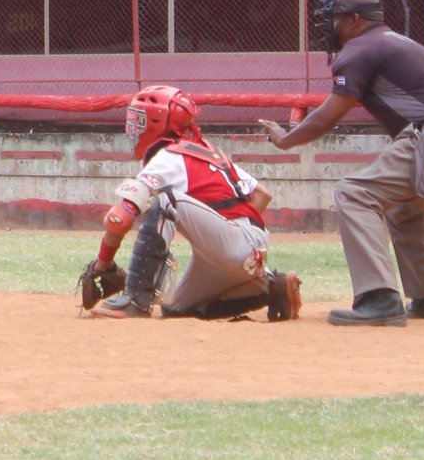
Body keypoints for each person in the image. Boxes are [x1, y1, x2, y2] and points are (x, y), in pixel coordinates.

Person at [258, 0, 424, 327]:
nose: (329, 27)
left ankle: (379, 299)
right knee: (402, 206)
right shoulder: (393, 41)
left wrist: (286, 139)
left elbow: (328, 115)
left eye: (334, 19)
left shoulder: (360, 48)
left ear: (354, 20)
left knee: (354, 192)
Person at [82, 85, 301, 322]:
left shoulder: (168, 157)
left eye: (140, 120)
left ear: (159, 123)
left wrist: (103, 264)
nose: (133, 128)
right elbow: (261, 195)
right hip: (250, 253)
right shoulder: (206, 151)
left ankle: (135, 301)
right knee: (176, 310)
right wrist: (227, 238)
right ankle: (273, 288)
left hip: (236, 245)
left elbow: (119, 219)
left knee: (165, 199)